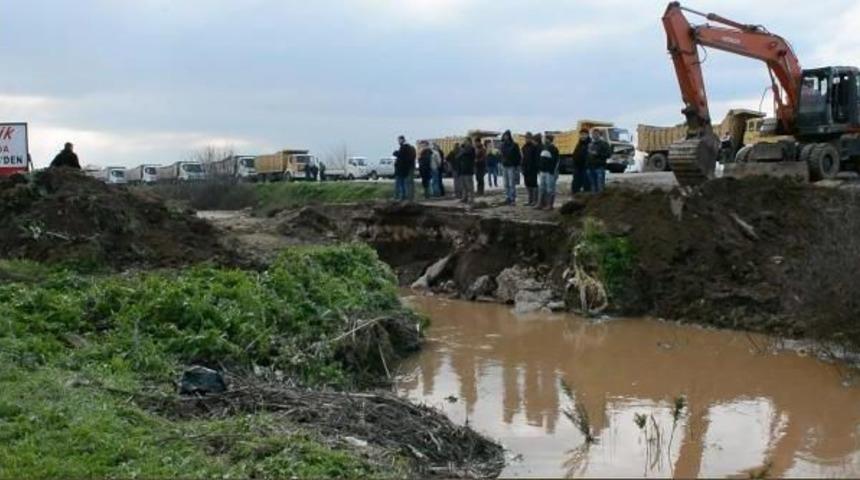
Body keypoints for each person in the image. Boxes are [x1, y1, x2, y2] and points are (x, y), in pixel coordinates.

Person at [537, 134, 561, 209]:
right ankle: (540, 203)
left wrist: (554, 171)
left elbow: (556, 161)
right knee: (541, 187)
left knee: (550, 188)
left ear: (549, 140)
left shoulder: (554, 149)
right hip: (542, 171)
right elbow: (541, 160)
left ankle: (550, 205)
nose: (544, 140)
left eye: (546, 139)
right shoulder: (543, 148)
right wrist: (539, 169)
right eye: (544, 138)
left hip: (550, 172)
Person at [500, 130, 521, 205]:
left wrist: (516, 165)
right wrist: (502, 161)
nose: (505, 137)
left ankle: (512, 199)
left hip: (511, 166)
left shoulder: (514, 145)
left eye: (506, 135)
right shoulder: (502, 145)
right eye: (504, 135)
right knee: (506, 183)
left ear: (509, 136)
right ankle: (507, 197)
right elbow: (501, 155)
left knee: (511, 183)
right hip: (504, 165)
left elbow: (518, 156)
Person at [393, 135, 416, 201]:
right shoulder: (407, 148)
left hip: (402, 169)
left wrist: (396, 153)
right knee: (405, 183)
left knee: (402, 184)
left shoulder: (404, 148)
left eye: (399, 140)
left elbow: (401, 157)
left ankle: (403, 196)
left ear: (402, 140)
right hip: (404, 169)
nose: (398, 142)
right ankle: (405, 196)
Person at [521, 133, 540, 206]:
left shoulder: (534, 147)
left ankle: (535, 200)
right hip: (526, 168)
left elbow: (536, 158)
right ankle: (530, 200)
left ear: (531, 138)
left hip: (533, 168)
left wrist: (537, 167)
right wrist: (522, 167)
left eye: (528, 138)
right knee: (527, 184)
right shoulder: (524, 147)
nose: (526, 139)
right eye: (526, 138)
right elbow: (523, 158)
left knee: (533, 184)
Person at [571, 129, 591, 194]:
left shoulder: (590, 144)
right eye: (581, 135)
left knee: (587, 186)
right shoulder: (579, 144)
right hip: (577, 168)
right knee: (575, 185)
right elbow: (575, 155)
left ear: (588, 135)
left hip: (586, 168)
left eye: (584, 135)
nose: (583, 136)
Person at [456, 137, 476, 204]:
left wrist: (462, 149)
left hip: (468, 169)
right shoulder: (463, 149)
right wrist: (462, 149)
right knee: (463, 185)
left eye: (466, 141)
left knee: (469, 185)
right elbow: (458, 156)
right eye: (464, 141)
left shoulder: (471, 149)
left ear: (469, 142)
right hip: (463, 169)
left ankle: (471, 198)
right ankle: (464, 198)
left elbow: (467, 153)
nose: (464, 142)